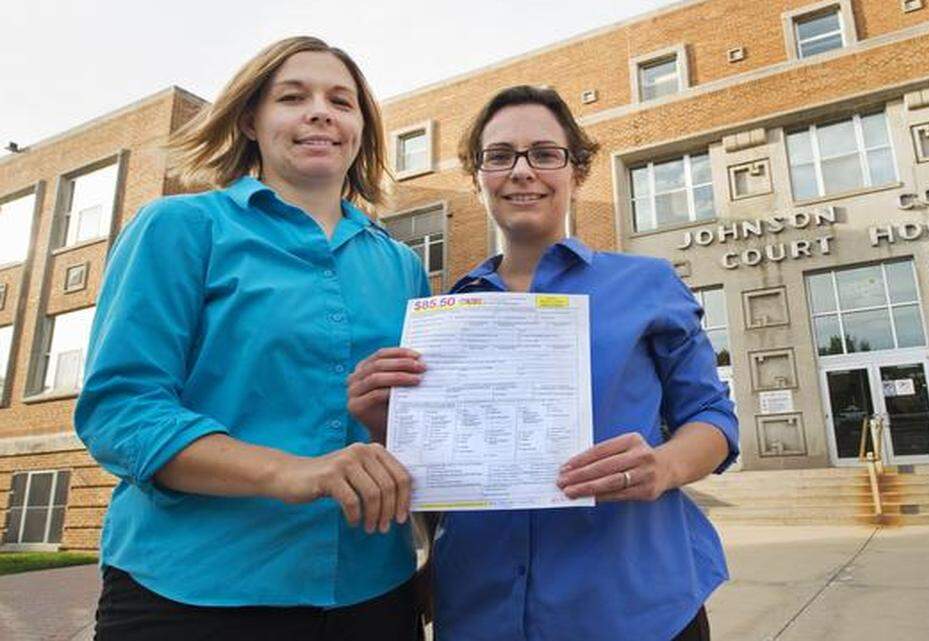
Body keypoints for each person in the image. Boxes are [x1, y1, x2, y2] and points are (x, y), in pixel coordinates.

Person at [348, 85, 740, 641]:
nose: (522, 171)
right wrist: (385, 423)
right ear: (478, 177)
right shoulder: (445, 313)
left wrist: (666, 466)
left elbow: (713, 418)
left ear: (576, 172)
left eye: (545, 154)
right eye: (500, 156)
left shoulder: (646, 285)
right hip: (482, 610)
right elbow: (437, 469)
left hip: (636, 606)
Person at [75, 36, 429, 641]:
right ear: (250, 120)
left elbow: (420, 426)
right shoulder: (181, 226)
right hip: (192, 592)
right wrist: (292, 472)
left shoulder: (403, 266)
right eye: (293, 97)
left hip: (372, 595)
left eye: (342, 102)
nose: (321, 111)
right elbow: (121, 412)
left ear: (361, 130)